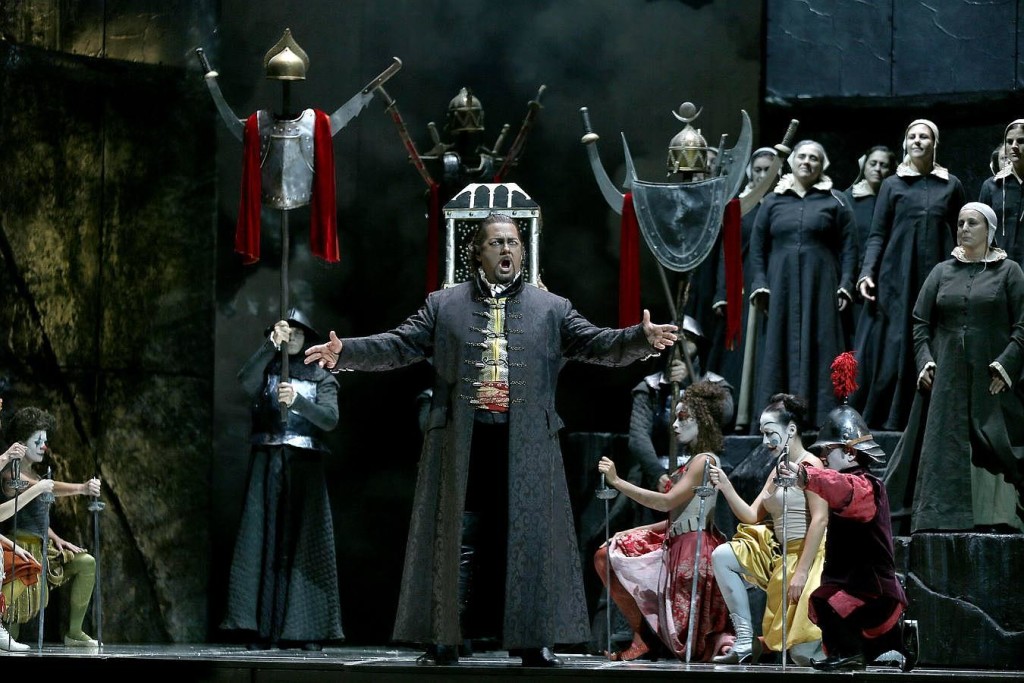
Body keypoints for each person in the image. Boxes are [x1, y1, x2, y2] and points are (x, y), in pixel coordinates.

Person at [304, 211, 679, 667]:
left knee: (531, 535)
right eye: (496, 242)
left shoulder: (551, 307)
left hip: (528, 441)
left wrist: (640, 338)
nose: (506, 249)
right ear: (477, 253)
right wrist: (346, 352)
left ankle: (534, 641)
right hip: (464, 439)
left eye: (513, 242)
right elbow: (399, 344)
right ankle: (444, 639)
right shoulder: (444, 305)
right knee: (456, 535)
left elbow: (598, 343)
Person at [883, 202, 1024, 534]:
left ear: (989, 230)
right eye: (960, 223)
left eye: (972, 223)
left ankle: (996, 514)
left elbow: (1022, 325)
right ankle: (940, 516)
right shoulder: (942, 271)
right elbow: (920, 321)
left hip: (989, 376)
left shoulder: (1009, 271)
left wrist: (1005, 365)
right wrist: (925, 361)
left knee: (994, 439)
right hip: (947, 375)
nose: (963, 228)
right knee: (944, 439)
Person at [221, 309, 343, 651]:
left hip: (304, 467)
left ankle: (305, 631)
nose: (293, 339)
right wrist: (269, 346)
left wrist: (299, 402)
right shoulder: (268, 369)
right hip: (267, 463)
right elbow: (245, 381)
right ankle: (263, 628)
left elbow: (330, 419)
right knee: (264, 540)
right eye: (289, 333)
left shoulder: (320, 375)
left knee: (302, 544)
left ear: (307, 338)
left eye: (298, 334)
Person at [780, 374, 918, 672]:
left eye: (827, 451)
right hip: (856, 587)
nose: (823, 457)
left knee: (827, 600)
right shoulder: (851, 483)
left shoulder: (866, 486)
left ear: (850, 452)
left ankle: (862, 650)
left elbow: (841, 489)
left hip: (872, 591)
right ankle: (874, 647)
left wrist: (806, 475)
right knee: (828, 601)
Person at [594, 381, 735, 662]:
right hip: (675, 539)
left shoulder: (704, 461)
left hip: (691, 548)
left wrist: (617, 481)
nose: (675, 425)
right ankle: (643, 635)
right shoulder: (693, 461)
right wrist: (633, 530)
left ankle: (647, 638)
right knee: (605, 555)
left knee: (693, 642)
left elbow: (666, 503)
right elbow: (676, 514)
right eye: (675, 418)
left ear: (702, 420)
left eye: (683, 417)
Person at [855, 119, 967, 430]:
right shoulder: (891, 185)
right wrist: (867, 272)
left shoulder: (951, 184)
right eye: (912, 136)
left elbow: (962, 233)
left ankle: (935, 414)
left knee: (936, 337)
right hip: (897, 277)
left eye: (924, 136)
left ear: (935, 143)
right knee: (896, 342)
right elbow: (877, 234)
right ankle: (891, 416)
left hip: (938, 276)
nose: (917, 141)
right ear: (905, 143)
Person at [708, 393, 828, 665]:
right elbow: (752, 516)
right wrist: (725, 486)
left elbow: (820, 519)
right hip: (782, 556)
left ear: (791, 430)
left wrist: (802, 572)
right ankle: (743, 641)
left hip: (809, 557)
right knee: (722, 556)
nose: (765, 442)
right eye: (763, 434)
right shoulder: (777, 470)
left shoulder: (811, 465)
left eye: (770, 433)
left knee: (802, 653)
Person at [748, 140, 857, 431]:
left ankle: (823, 418)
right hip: (780, 286)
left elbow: (849, 246)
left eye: (814, 158)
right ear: (792, 161)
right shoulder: (772, 201)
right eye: (802, 156)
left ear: (822, 166)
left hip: (820, 285)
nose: (807, 162)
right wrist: (760, 283)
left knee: (821, 345)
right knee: (778, 348)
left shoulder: (835, 201)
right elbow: (757, 247)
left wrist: (846, 283)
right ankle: (776, 418)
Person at [0, 407, 100, 648]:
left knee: (85, 562)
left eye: (45, 441)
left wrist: (54, 536)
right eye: (38, 441)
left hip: (43, 546)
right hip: (21, 546)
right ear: (21, 443)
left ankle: (74, 631)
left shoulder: (36, 475)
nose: (44, 447)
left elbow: (39, 513)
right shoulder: (11, 476)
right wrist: (82, 488)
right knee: (16, 613)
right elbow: (44, 488)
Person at [628, 316, 735, 507]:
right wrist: (656, 473)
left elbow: (724, 415)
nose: (679, 343)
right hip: (660, 471)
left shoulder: (716, 385)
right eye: (674, 338)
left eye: (687, 338)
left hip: (705, 470)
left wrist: (692, 384)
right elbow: (638, 437)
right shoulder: (650, 388)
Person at [709, 146, 780, 417]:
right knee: (745, 346)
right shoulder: (738, 206)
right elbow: (727, 252)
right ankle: (743, 410)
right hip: (746, 281)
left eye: (768, 170)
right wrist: (721, 292)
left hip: (777, 278)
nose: (762, 175)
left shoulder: (784, 202)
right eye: (758, 170)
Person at [843, 146, 896, 345]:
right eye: (873, 164)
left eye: (883, 165)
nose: (877, 169)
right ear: (864, 166)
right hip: (854, 281)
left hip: (886, 280)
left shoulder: (896, 201)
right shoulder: (847, 200)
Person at [979, 119, 1024, 265]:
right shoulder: (991, 186)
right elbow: (981, 231)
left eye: (1021, 141)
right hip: (999, 267)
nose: (1014, 146)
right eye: (1009, 142)